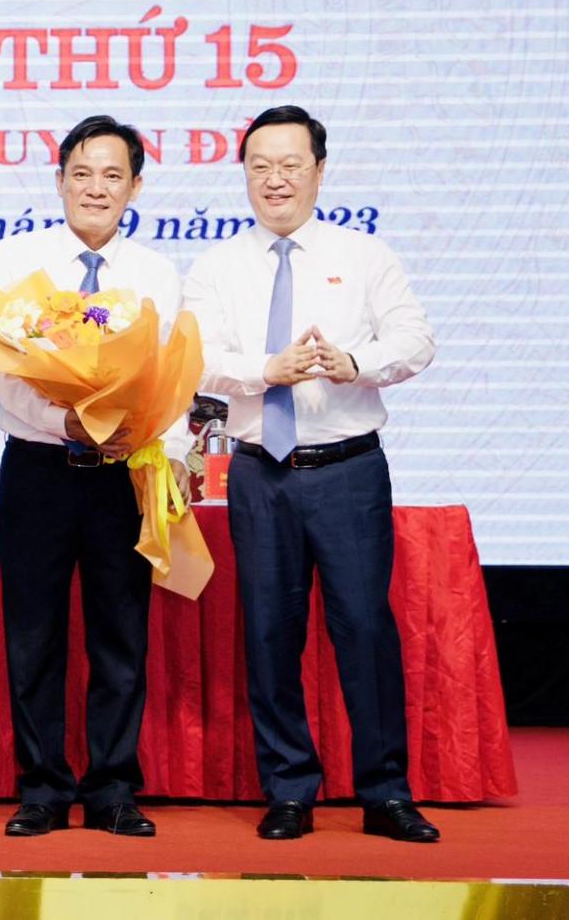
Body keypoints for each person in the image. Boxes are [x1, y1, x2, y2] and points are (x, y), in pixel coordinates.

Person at [181, 105, 440, 843]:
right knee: (270, 632)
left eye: (290, 164)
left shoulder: (364, 255)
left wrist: (356, 362)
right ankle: (289, 789)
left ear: (319, 171)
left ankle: (385, 792)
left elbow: (416, 339)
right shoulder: (217, 265)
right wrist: (266, 369)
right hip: (259, 473)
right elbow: (194, 359)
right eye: (260, 166)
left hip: (347, 471)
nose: (275, 179)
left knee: (364, 628)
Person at [0, 115, 190, 838]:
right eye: (82, 174)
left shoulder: (156, 273)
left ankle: (113, 788)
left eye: (112, 175)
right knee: (32, 636)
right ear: (60, 179)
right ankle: (41, 788)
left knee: (120, 635)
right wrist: (57, 418)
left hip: (122, 472)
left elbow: (176, 374)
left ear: (136, 186)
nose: (96, 188)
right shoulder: (17, 262)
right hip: (38, 467)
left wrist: (171, 448)